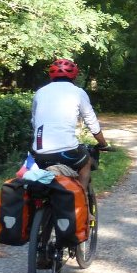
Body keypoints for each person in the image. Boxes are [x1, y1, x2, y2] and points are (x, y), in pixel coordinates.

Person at [31, 58, 108, 194]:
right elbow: (92, 122)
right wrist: (103, 143)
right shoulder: (78, 92)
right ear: (74, 76)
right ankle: (81, 198)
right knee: (86, 162)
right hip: (66, 152)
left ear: (51, 75)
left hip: (39, 153)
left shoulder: (40, 93)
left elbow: (34, 121)